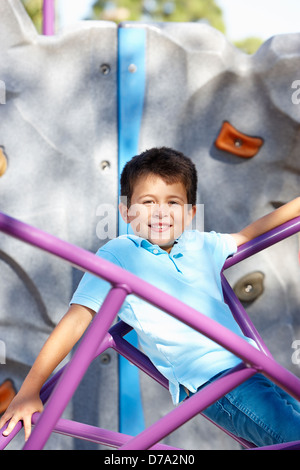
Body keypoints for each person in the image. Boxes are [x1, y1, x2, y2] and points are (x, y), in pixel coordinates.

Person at [1, 147, 300, 446]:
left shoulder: (201, 244)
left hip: (256, 366)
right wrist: (29, 390)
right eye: (147, 202)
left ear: (191, 212)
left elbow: (249, 234)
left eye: (173, 202)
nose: (161, 212)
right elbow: (77, 320)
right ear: (126, 212)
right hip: (215, 383)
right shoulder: (119, 255)